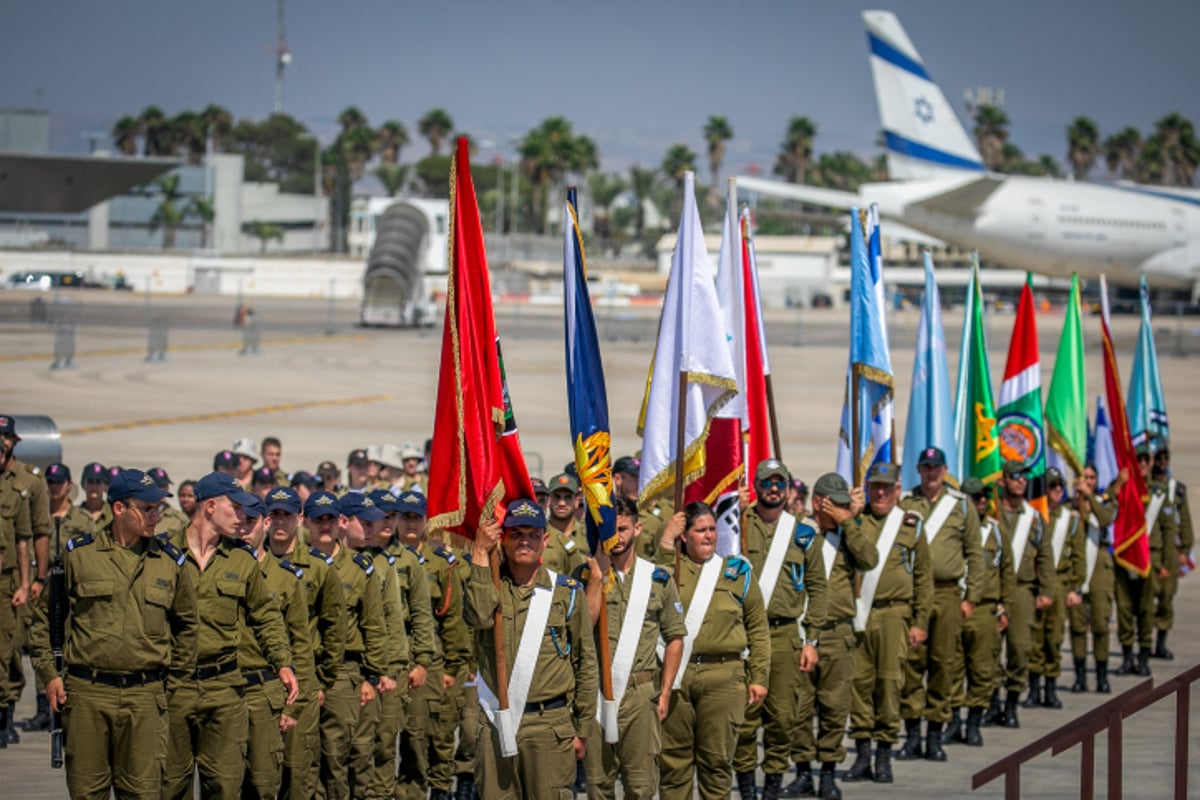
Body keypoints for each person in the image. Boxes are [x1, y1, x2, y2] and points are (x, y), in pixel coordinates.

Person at [36, 468, 199, 798]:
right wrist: (49, 675)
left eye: (158, 509)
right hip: (87, 696)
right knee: (87, 791)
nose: (156, 516)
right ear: (119, 509)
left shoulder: (169, 561)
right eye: (147, 508)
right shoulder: (79, 555)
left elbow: (188, 626)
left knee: (143, 792)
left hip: (145, 697)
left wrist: (173, 683)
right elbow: (44, 619)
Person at [162, 472, 299, 800]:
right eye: (235, 508)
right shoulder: (163, 552)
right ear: (210, 506)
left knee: (224, 785)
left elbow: (265, 615)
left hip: (224, 688)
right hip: (173, 686)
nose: (244, 518)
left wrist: (282, 662)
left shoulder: (241, 558)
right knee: (171, 785)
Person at [465, 498, 598, 800]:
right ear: (504, 538)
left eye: (532, 535)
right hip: (497, 718)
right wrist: (479, 553)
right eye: (516, 534)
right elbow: (479, 616)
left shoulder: (566, 591)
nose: (524, 541)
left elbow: (585, 662)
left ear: (545, 539)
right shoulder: (488, 584)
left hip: (549, 724)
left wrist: (583, 727)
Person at [654, 501, 770, 800]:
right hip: (676, 677)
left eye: (712, 529)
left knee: (716, 764)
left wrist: (759, 676)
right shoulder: (668, 570)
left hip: (724, 676)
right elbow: (650, 595)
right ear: (684, 535)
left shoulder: (737, 571)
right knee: (673, 764)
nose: (709, 536)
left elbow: (758, 627)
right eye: (700, 530)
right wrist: (666, 540)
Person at [579, 494, 686, 800]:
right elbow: (582, 627)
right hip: (597, 691)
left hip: (641, 694)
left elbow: (675, 636)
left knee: (640, 785)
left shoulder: (657, 579)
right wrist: (596, 579)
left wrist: (665, 692)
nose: (618, 538)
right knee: (598, 785)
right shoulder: (585, 576)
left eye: (623, 529)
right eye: (612, 531)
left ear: (638, 529)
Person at [733, 460, 826, 800]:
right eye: (766, 482)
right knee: (745, 719)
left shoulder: (802, 532)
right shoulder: (738, 524)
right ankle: (746, 791)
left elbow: (818, 587)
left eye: (779, 483)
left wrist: (811, 639)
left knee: (783, 719)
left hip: (787, 635)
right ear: (756, 486)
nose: (773, 488)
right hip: (745, 635)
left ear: (788, 489)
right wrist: (733, 511)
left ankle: (772, 787)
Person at [786, 473, 873, 800]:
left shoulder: (849, 535)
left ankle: (827, 773)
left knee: (835, 707)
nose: (840, 509)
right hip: (802, 631)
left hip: (838, 633)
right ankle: (804, 772)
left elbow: (869, 559)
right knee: (799, 707)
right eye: (835, 504)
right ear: (820, 502)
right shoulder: (800, 532)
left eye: (843, 504)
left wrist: (848, 522)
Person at [845, 463, 932, 784]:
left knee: (890, 684)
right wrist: (850, 515)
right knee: (859, 685)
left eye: (886, 487)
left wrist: (920, 621)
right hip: (859, 614)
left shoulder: (910, 524)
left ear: (898, 490)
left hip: (896, 615)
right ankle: (862, 752)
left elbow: (923, 577)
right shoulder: (856, 520)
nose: (880, 493)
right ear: (867, 487)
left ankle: (884, 754)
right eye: (875, 486)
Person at [896, 447, 984, 760]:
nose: (931, 472)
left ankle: (935, 736)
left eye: (936, 467)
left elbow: (975, 552)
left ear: (945, 470)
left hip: (948, 594)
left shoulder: (961, 506)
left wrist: (972, 596)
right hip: (914, 594)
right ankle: (911, 737)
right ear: (918, 470)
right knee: (911, 664)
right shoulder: (906, 503)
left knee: (943, 665)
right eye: (925, 467)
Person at [264, 487, 347, 800]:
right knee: (261, 767)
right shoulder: (253, 564)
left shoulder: (318, 566)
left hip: (304, 676)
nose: (280, 521)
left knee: (300, 768)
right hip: (262, 678)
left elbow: (334, 628)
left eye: (287, 514)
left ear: (299, 519)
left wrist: (322, 680)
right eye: (274, 514)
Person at [305, 490, 388, 800]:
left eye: (330, 519)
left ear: (340, 522)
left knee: (337, 754)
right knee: (304, 756)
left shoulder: (359, 567)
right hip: (304, 668)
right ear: (307, 523)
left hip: (344, 670)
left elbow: (374, 625)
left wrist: (371, 676)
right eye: (318, 519)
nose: (324, 526)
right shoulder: (293, 564)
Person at [234, 495, 315, 800]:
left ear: (264, 524)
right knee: (226, 782)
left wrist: (293, 706)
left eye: (251, 521)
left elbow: (301, 648)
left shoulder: (285, 578)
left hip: (267, 690)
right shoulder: (219, 569)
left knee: (265, 782)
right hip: (224, 689)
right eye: (239, 520)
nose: (243, 528)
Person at [383, 490, 456, 800]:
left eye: (416, 517)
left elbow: (452, 619)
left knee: (419, 736)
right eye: (405, 516)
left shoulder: (440, 562)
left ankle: (412, 792)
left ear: (427, 522)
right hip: (389, 653)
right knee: (384, 736)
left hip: (426, 654)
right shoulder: (382, 556)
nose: (411, 523)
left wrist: (453, 665)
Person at [20, 463, 95, 734]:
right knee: (38, 641)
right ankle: (43, 705)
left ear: (68, 485)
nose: (54, 487)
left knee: (63, 644)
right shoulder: (34, 515)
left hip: (68, 591)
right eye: (50, 482)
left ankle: (64, 699)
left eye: (59, 482)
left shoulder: (82, 519)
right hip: (39, 589)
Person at [947, 478, 1011, 746]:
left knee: (983, 669)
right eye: (975, 497)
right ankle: (952, 721)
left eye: (984, 497)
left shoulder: (996, 531)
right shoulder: (952, 530)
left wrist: (1005, 607)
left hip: (984, 609)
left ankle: (974, 721)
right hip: (955, 605)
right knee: (950, 667)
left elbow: (1008, 571)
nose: (981, 501)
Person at [994, 460, 1055, 728]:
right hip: (994, 589)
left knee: (1019, 649)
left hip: (1022, 590)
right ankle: (992, 702)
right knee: (990, 651)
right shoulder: (992, 516)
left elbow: (1046, 556)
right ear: (1004, 480)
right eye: (1015, 476)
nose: (1020, 481)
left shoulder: (1034, 518)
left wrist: (1047, 591)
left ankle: (1011, 704)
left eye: (1024, 477)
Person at [1027, 467, 1083, 710]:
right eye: (1053, 486)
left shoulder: (1070, 520)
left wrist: (1076, 588)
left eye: (1061, 486)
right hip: (1036, 583)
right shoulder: (1033, 516)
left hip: (1060, 583)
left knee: (1054, 638)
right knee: (1034, 639)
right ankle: (1033, 689)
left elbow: (1079, 556)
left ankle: (1050, 688)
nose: (1058, 491)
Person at [1068, 463, 1119, 693]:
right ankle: (1079, 677)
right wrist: (1079, 503)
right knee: (1078, 626)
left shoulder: (1105, 502)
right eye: (1084, 477)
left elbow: (1106, 519)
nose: (1087, 481)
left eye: (1091, 477)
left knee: (1100, 624)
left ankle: (1101, 675)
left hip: (1100, 569)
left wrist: (1091, 498)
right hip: (1077, 568)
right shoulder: (1069, 506)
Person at [1113, 447, 1160, 677]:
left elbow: (1166, 532)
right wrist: (1119, 486)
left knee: (1145, 611)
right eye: (1138, 460)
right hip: (1123, 561)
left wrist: (1163, 564)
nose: (1141, 464)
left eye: (1145, 460)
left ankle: (1143, 657)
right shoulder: (1124, 488)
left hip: (1148, 561)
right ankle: (1126, 657)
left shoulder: (1158, 492)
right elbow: (1108, 509)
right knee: (1124, 611)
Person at [0, 428, 33, 747]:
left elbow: (25, 540)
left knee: (7, 650)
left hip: (6, 581)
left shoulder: (20, 488)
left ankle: (5, 716)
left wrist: (26, 582)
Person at [1149, 444, 1192, 660]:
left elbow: (1184, 522)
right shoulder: (1146, 488)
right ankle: (1144, 645)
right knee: (1146, 601)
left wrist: (1185, 547)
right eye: (1159, 457)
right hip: (1151, 552)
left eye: (1166, 457)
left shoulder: (1177, 490)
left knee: (1167, 599)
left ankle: (1161, 643)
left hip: (1171, 553)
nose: (1163, 461)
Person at [543, 473, 588, 575]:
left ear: (576, 501)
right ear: (549, 500)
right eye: (557, 497)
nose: (561, 503)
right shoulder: (539, 535)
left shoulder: (589, 535)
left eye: (567, 497)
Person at [149, 467, 190, 539]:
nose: (163, 490)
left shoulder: (180, 519)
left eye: (165, 486)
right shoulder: (137, 513)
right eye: (159, 486)